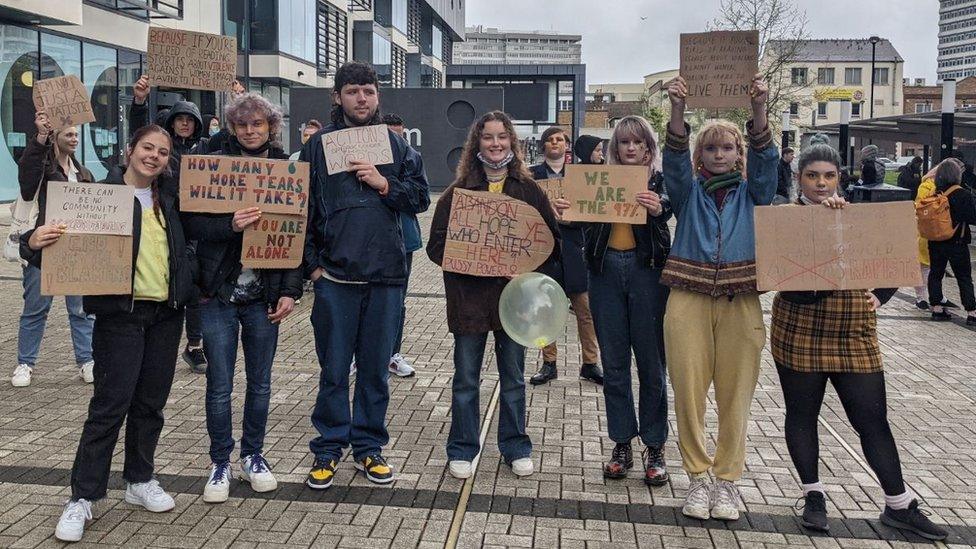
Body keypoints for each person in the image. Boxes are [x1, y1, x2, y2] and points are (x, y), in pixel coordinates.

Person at [22, 125, 197, 542]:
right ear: (130, 150)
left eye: (163, 151)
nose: (154, 156)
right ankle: (83, 497)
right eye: (147, 148)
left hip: (166, 315)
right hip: (120, 317)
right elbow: (59, 250)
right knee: (108, 409)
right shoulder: (97, 195)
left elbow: (196, 240)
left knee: (150, 406)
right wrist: (33, 242)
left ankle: (139, 481)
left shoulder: (170, 199)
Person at [772, 142, 948, 541]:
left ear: (840, 178)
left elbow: (893, 251)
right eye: (812, 175)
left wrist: (882, 294)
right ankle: (813, 495)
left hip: (853, 329)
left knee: (871, 419)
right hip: (799, 326)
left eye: (828, 175)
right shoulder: (785, 216)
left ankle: (899, 504)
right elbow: (781, 277)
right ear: (799, 178)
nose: (820, 183)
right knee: (802, 414)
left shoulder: (858, 216)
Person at [301, 62, 429, 489]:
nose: (361, 98)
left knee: (375, 370)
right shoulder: (318, 146)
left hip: (386, 278)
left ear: (378, 97)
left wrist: (383, 184)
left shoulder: (398, 148)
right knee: (333, 369)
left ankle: (369, 448)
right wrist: (313, 268)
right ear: (337, 96)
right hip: (334, 279)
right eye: (353, 91)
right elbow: (301, 211)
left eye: (368, 91)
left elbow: (420, 199)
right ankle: (328, 447)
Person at [661, 74, 777, 521]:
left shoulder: (755, 193)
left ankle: (727, 482)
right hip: (687, 296)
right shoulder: (687, 192)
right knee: (687, 391)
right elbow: (672, 162)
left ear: (738, 154)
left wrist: (759, 109)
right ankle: (697, 477)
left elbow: (767, 164)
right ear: (700, 155)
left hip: (741, 300)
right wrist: (677, 109)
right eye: (710, 148)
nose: (719, 154)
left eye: (727, 147)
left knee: (736, 394)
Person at [427, 110, 562, 480]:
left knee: (514, 377)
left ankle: (516, 446)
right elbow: (436, 247)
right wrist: (471, 260)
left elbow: (551, 244)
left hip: (514, 304)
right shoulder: (458, 194)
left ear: (512, 143)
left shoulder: (530, 190)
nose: (496, 143)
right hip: (469, 302)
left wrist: (527, 268)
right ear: (477, 143)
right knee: (466, 378)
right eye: (488, 137)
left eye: (502, 137)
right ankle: (463, 448)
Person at [183, 93, 303, 503]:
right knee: (219, 385)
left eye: (259, 124)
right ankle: (220, 461)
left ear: (271, 126)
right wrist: (230, 224)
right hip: (218, 295)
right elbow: (191, 221)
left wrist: (290, 291)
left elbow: (297, 233)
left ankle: (254, 455)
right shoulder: (212, 162)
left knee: (261, 383)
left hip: (263, 297)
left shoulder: (288, 168)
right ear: (232, 128)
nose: (251, 131)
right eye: (243, 125)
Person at [553, 116, 672, 486]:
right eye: (624, 143)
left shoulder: (660, 182)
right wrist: (563, 213)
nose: (631, 148)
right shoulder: (599, 180)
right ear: (615, 148)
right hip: (604, 275)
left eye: (638, 142)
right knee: (616, 366)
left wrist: (659, 207)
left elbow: (675, 207)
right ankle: (622, 443)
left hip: (647, 273)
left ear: (649, 147)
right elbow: (577, 224)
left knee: (652, 366)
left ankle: (655, 445)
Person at [130, 74, 207, 373]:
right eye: (180, 119)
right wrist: (140, 101)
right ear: (172, 121)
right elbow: (140, 133)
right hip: (168, 222)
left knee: (195, 288)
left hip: (196, 227)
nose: (185, 124)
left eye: (191, 119)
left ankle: (195, 344)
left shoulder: (205, 149)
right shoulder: (161, 150)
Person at [11, 112, 94, 388]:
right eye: (69, 134)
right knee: (35, 309)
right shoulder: (43, 170)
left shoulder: (84, 174)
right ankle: (25, 363)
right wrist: (41, 138)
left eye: (76, 135)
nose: (74, 138)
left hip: (76, 253)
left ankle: (87, 361)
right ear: (56, 138)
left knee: (81, 310)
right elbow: (27, 174)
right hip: (43, 250)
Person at [528, 127, 602, 386]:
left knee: (586, 311)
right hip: (545, 251)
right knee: (546, 311)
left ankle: (590, 363)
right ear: (543, 146)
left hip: (575, 249)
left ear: (567, 145)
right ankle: (549, 363)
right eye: (550, 139)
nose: (555, 143)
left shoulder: (581, 175)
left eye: (559, 139)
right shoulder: (531, 175)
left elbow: (593, 210)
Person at [374, 111, 428, 379]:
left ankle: (392, 355)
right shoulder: (366, 160)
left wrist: (389, 186)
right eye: (389, 136)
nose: (395, 142)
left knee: (398, 300)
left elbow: (422, 199)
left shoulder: (411, 160)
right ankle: (360, 356)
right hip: (369, 243)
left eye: (399, 136)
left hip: (404, 242)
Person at [925, 160, 976, 325]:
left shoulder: (934, 193)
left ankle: (937, 308)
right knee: (964, 277)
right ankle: (971, 311)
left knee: (936, 273)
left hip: (935, 241)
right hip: (957, 242)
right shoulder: (963, 194)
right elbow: (971, 217)